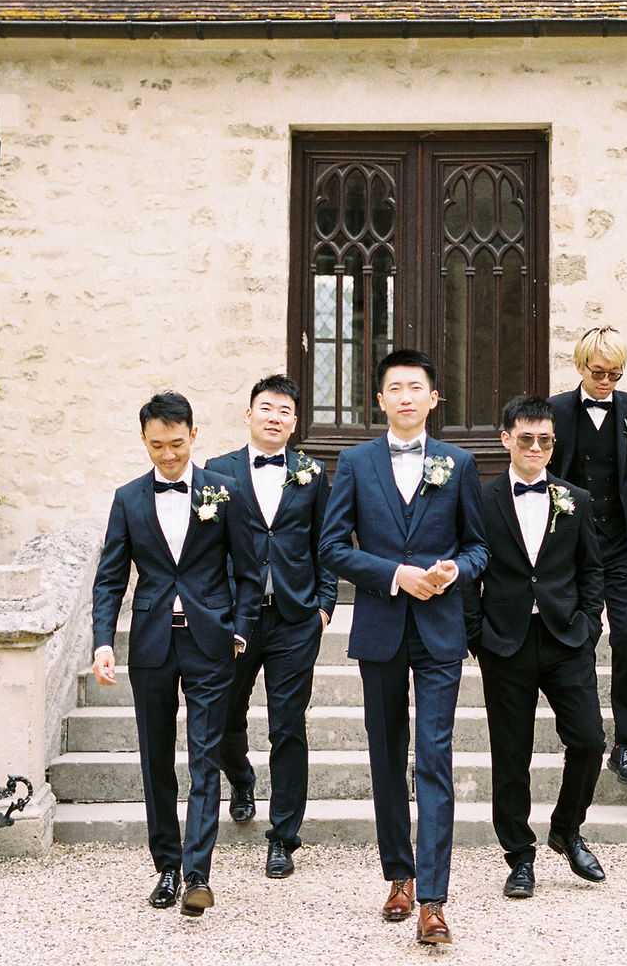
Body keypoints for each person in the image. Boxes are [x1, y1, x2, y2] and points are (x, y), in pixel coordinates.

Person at [318, 349, 488, 947]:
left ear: (434, 398)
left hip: (440, 630)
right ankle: (399, 876)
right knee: (388, 756)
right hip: (382, 627)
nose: (408, 396)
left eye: (418, 386)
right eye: (396, 388)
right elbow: (333, 547)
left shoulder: (460, 463)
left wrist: (453, 571)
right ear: (381, 399)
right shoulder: (356, 462)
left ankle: (435, 901)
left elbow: (478, 547)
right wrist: (395, 574)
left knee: (433, 758)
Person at [92, 391, 262, 917]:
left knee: (205, 756)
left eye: (177, 443)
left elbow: (250, 572)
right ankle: (165, 866)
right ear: (144, 441)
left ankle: (197, 874)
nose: (168, 455)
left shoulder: (225, 492)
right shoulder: (127, 499)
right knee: (156, 759)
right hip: (151, 646)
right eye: (156, 445)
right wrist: (102, 642)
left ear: (194, 434)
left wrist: (238, 630)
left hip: (212, 644)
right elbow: (110, 578)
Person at [464, 395, 606, 898]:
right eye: (526, 438)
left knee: (589, 741)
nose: (536, 448)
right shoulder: (480, 500)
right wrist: (475, 633)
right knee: (511, 756)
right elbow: (468, 572)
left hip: (566, 638)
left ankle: (567, 830)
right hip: (505, 643)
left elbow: (592, 569)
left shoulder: (575, 499)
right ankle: (519, 856)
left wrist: (590, 627)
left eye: (545, 440)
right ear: (506, 439)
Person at [205, 373, 336, 879]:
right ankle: (239, 777)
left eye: (285, 410)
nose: (274, 417)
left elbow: (326, 539)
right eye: (266, 408)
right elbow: (206, 549)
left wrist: (325, 603)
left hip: (295, 618)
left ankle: (284, 836)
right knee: (224, 718)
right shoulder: (217, 472)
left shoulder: (311, 473)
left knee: (288, 727)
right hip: (235, 618)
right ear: (249, 413)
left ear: (295, 421)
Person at [550, 325, 627, 787]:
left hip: (625, 546)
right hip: (577, 549)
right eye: (599, 373)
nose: (607, 382)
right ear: (581, 366)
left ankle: (626, 743)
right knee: (582, 638)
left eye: (615, 374)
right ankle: (587, 736)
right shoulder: (555, 411)